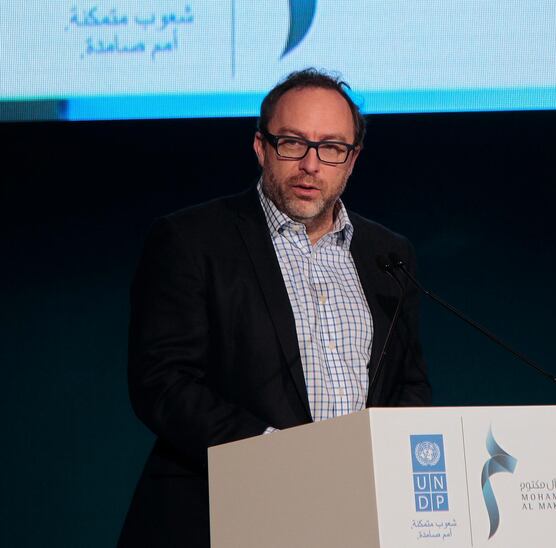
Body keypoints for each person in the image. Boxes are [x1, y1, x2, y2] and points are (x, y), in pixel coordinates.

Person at [118, 68, 431, 547]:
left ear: (352, 160)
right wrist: (276, 456)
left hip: (357, 517)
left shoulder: (389, 254)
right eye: (292, 143)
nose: (311, 164)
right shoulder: (191, 240)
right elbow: (162, 382)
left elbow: (407, 383)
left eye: (331, 148)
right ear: (261, 147)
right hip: (224, 512)